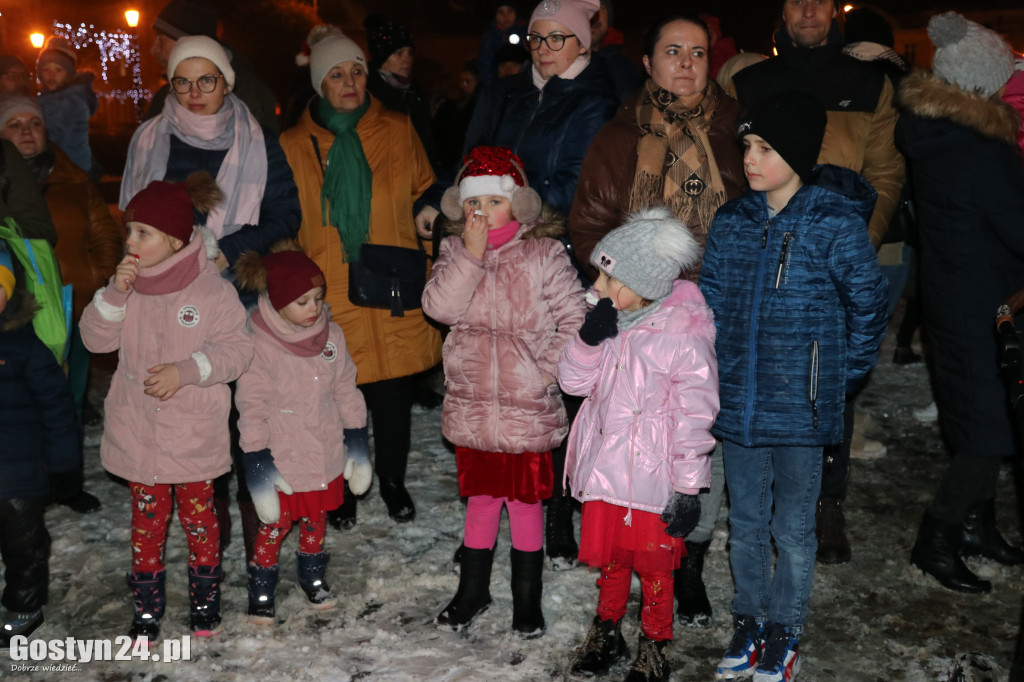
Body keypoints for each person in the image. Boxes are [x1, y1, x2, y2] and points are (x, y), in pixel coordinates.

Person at [700, 93, 888, 681]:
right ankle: (749, 619)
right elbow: (707, 307)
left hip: (802, 410)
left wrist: (835, 377)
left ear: (799, 155)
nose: (751, 160)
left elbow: (869, 303)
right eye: (747, 147)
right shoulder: (731, 222)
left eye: (765, 149)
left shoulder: (832, 222)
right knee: (747, 522)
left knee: (794, 527)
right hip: (740, 405)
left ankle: (786, 627)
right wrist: (710, 374)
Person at [568, 12, 746, 625]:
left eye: (698, 52)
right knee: (632, 433)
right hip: (637, 313)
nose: (687, 63)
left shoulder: (735, 134)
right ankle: (623, 552)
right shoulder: (618, 137)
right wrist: (636, 287)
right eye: (673, 51)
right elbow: (588, 223)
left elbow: (752, 221)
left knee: (696, 434)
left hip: (714, 311)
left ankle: (687, 564)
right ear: (648, 63)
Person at [723, 0, 906, 565]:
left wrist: (850, 247)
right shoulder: (751, 80)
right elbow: (734, 168)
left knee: (827, 384)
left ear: (835, 8)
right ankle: (759, 502)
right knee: (764, 379)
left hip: (841, 257)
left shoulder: (869, 82)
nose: (807, 9)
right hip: (765, 259)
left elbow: (887, 171)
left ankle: (826, 503)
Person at [121, 34, 300, 557]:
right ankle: (207, 535)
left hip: (232, 294)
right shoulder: (149, 138)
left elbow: (286, 215)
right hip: (162, 305)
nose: (195, 92)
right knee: (192, 413)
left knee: (246, 412)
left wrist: (225, 250)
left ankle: (258, 535)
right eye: (183, 81)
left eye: (207, 80)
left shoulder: (258, 140)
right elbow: (131, 217)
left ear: (227, 82)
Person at [79, 174, 253, 640]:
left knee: (201, 524)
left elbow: (238, 350)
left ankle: (204, 603)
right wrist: (114, 294)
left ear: (175, 239)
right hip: (139, 435)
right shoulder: (128, 286)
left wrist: (189, 369)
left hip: (193, 436)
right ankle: (147, 610)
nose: (131, 241)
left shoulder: (211, 290)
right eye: (130, 230)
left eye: (143, 233)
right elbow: (94, 339)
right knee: (147, 528)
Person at [279, 27, 441, 527]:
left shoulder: (396, 128)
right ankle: (344, 487)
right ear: (317, 83)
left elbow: (426, 193)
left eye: (356, 71)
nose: (349, 82)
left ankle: (391, 480)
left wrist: (432, 250)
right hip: (327, 291)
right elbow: (284, 216)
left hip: (391, 285)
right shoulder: (290, 144)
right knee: (334, 401)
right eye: (336, 74)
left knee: (392, 397)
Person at [422, 146, 585, 637]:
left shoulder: (544, 254)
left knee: (525, 502)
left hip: (526, 405)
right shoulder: (454, 253)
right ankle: (473, 591)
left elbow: (575, 319)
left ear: (520, 205)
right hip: (473, 406)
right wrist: (470, 255)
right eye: (475, 203)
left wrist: (544, 371)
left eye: (496, 202)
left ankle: (526, 600)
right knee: (481, 499)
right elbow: (440, 308)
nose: (484, 213)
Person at [559, 208, 717, 681]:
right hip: (606, 473)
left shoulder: (683, 338)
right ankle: (606, 630)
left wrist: (688, 488)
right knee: (610, 561)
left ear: (644, 282)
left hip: (653, 483)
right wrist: (588, 342)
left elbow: (696, 418)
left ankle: (655, 643)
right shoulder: (609, 324)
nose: (599, 288)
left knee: (653, 569)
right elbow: (572, 383)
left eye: (610, 278)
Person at [896, 12, 1024, 594]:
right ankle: (937, 537)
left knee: (983, 421)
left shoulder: (934, 134)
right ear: (982, 85)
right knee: (986, 435)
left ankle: (979, 526)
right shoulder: (983, 151)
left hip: (953, 297)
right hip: (986, 306)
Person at [233, 246, 370, 624]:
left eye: (318, 298)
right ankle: (261, 586)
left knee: (316, 520)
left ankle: (313, 575)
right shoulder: (258, 344)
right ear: (277, 303)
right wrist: (257, 462)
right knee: (274, 525)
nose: (314, 308)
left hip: (324, 449)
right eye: (302, 301)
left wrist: (357, 442)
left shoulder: (332, 337)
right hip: (282, 458)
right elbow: (253, 405)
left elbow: (346, 390)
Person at [0, 94, 121, 513]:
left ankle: (67, 482)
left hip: (72, 306)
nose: (25, 132)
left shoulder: (72, 178)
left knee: (64, 398)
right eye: (13, 124)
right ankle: (29, 482)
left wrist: (99, 281)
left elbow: (104, 233)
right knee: (19, 405)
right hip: (13, 311)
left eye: (32, 123)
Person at [0, 242, 81, 645]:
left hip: (18, 475)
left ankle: (24, 606)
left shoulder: (24, 346)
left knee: (23, 545)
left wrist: (65, 468)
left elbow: (57, 410)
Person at [145, 0, 279, 134]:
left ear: (188, 43)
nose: (154, 49)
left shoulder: (249, 97)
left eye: (161, 40)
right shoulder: (162, 99)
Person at [363, 14, 440, 175]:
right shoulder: (367, 96)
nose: (407, 59)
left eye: (410, 53)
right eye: (399, 53)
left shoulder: (415, 94)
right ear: (382, 56)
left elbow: (427, 147)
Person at [35, 37, 98, 180]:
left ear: (68, 74)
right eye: (46, 70)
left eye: (58, 70)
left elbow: (52, 138)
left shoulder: (71, 101)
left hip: (70, 172)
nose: (51, 75)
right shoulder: (49, 98)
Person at [433, 61, 481, 171]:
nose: (463, 85)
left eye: (467, 81)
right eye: (461, 81)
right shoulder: (452, 105)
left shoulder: (478, 107)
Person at [589, 0, 640, 103]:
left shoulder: (628, 65)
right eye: (587, 8)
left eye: (601, 8)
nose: (595, 15)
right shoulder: (557, 63)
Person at [478, 2, 528, 86]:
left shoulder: (525, 32)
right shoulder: (490, 37)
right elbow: (485, 64)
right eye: (501, 12)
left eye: (510, 11)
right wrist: (492, 86)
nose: (506, 16)